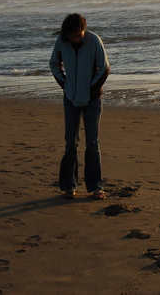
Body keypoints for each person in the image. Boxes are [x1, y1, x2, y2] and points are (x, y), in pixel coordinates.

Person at [49, 13, 110, 199]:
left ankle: (96, 186)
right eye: (72, 36)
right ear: (66, 34)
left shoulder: (93, 40)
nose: (76, 39)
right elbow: (54, 64)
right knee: (71, 142)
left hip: (92, 100)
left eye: (79, 35)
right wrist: (65, 84)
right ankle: (69, 185)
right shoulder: (61, 42)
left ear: (84, 30)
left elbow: (104, 68)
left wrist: (92, 89)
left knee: (92, 142)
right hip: (71, 99)